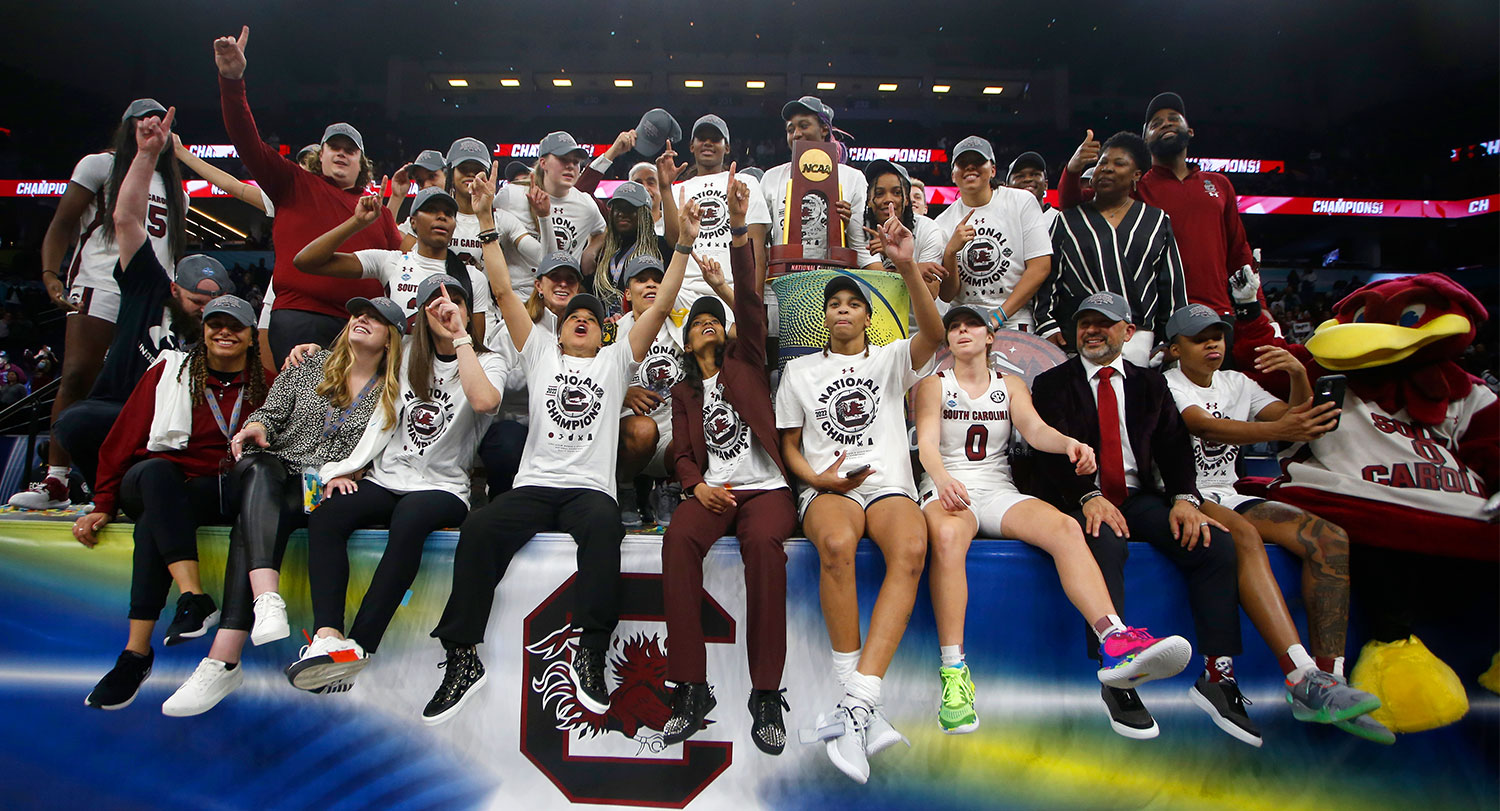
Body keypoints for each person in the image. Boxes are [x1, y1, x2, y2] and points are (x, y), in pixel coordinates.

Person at [419, 169, 692, 726]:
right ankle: (462, 656)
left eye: (593, 319)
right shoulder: (541, 351)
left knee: (603, 531)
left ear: (604, 332)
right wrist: (489, 221)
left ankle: (590, 651)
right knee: (479, 529)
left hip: (588, 489)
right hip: (537, 484)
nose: (583, 322)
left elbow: (659, 308)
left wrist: (683, 243)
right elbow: (500, 290)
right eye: (575, 319)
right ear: (562, 329)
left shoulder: (618, 361)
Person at [915, 304, 1191, 735]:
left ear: (991, 338)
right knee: (949, 541)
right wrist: (942, 479)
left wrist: (1069, 444)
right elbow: (927, 444)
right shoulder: (933, 385)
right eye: (954, 327)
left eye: (972, 325)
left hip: (996, 488)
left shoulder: (1011, 385)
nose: (962, 331)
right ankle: (954, 673)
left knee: (1066, 527)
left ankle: (1115, 639)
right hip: (948, 486)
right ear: (948, 341)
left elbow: (1035, 429)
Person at [160, 297, 404, 716]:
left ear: (391, 340)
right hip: (273, 467)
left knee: (251, 525)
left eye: (375, 319)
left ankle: (223, 658)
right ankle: (267, 600)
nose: (360, 319)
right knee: (259, 473)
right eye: (357, 313)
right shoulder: (310, 364)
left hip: (317, 485)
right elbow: (271, 415)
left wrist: (354, 472)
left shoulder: (396, 389)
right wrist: (255, 425)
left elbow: (390, 450)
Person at [1029, 292, 1251, 744]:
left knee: (1214, 543)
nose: (1092, 330)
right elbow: (1045, 455)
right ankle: (1118, 674)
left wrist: (1186, 498)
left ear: (1127, 332)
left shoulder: (1151, 383)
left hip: (1137, 495)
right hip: (1080, 495)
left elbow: (1173, 446)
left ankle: (1218, 674)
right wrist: (1088, 495)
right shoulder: (1052, 382)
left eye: (1104, 324)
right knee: (1104, 539)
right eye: (1085, 322)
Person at [1162, 304, 1389, 742]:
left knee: (1330, 538)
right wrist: (1285, 426)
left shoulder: (1238, 382)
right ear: (1174, 349)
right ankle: (1299, 674)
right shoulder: (1164, 384)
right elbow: (1205, 428)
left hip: (1229, 491)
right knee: (1243, 535)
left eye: (1218, 335)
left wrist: (1298, 374)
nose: (1213, 343)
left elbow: (1301, 419)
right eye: (1199, 338)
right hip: (1183, 493)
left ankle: (1330, 679)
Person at [774, 217, 942, 784]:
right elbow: (790, 447)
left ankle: (857, 703)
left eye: (853, 303)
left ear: (868, 315)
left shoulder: (891, 357)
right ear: (823, 317)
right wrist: (817, 480)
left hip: (889, 482)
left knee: (913, 550)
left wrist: (907, 264)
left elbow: (936, 335)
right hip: (830, 488)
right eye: (834, 304)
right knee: (838, 544)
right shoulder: (798, 370)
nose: (843, 309)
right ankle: (859, 705)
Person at [288, 274, 506, 692]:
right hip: (388, 475)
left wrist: (461, 336)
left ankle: (361, 645)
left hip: (443, 487)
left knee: (409, 520)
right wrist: (310, 352)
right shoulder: (405, 353)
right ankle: (328, 635)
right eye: (436, 302)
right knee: (328, 515)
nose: (447, 308)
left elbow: (485, 401)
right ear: (422, 315)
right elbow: (356, 354)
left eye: (456, 300)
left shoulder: (486, 358)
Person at [26, 110, 231, 506]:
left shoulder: (178, 190)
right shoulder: (101, 164)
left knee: (153, 390)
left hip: (161, 287)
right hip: (108, 276)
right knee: (77, 376)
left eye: (160, 122)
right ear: (128, 127)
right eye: (143, 120)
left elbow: (172, 248)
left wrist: (178, 290)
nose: (152, 126)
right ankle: (56, 478)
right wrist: (52, 272)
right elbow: (81, 221)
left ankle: (124, 481)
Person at [77, 296, 270, 710]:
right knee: (158, 475)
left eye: (235, 326)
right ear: (201, 330)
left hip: (222, 490)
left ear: (252, 336)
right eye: (215, 323)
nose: (224, 332)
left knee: (154, 523)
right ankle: (192, 596)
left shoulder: (268, 383)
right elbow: (120, 442)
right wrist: (103, 504)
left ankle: (135, 655)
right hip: (165, 482)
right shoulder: (169, 373)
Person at [659, 173, 796, 754]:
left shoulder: (747, 359)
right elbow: (682, 453)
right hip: (714, 491)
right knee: (676, 542)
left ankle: (766, 693)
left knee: (763, 550)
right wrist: (695, 488)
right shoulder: (685, 391)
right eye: (697, 322)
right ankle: (692, 687)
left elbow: (751, 297)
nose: (707, 323)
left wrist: (738, 231)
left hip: (766, 490)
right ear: (687, 341)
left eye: (714, 318)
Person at [213, 25, 402, 363]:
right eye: (334, 147)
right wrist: (232, 82)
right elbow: (245, 139)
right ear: (321, 155)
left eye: (350, 150)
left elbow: (402, 267)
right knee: (302, 412)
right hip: (303, 316)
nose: (342, 154)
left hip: (360, 326)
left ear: (363, 164)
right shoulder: (293, 182)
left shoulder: (380, 213)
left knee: (358, 414)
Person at [1058, 93, 1257, 317]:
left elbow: (1239, 250)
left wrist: (1259, 306)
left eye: (1174, 118)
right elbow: (1072, 206)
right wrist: (1073, 169)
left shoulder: (1219, 184)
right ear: (1146, 138)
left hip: (1216, 310)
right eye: (1156, 124)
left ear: (1189, 131)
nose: (1166, 124)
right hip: (1157, 315)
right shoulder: (1134, 185)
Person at [1035, 132, 1187, 365]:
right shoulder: (1068, 220)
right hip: (1081, 335)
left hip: (1139, 340)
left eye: (1119, 163)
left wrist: (1169, 340)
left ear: (1137, 175)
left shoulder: (1156, 220)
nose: (1106, 168)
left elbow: (1172, 286)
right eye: (1102, 163)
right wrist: (1047, 326)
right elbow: (1048, 280)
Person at [293, 187, 487, 340]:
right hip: (395, 380)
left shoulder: (472, 276)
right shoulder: (390, 261)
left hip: (450, 382)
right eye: (430, 210)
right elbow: (306, 262)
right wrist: (357, 222)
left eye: (448, 213)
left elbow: (475, 346)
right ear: (412, 222)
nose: (441, 216)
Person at [932, 136, 1052, 332]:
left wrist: (1000, 315)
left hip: (1014, 319)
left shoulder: (1021, 202)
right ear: (953, 175)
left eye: (978, 161)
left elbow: (1040, 266)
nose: (970, 167)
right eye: (963, 163)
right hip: (965, 321)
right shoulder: (942, 222)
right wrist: (950, 253)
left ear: (993, 170)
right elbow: (947, 294)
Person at [667, 116, 773, 304]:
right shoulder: (677, 190)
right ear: (692, 146)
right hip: (687, 293)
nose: (708, 143)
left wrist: (754, 308)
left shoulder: (746, 183)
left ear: (727, 147)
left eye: (715, 139)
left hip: (733, 290)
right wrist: (664, 188)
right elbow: (673, 242)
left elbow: (757, 252)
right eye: (702, 138)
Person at [760, 96, 869, 272]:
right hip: (781, 285)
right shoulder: (771, 177)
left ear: (824, 129)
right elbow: (760, 243)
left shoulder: (852, 178)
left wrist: (845, 228)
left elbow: (862, 248)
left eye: (804, 126)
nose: (796, 134)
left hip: (831, 283)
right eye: (790, 129)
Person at [492, 131, 606, 298]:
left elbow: (601, 231)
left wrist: (591, 251)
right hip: (518, 297)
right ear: (543, 163)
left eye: (575, 162)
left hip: (561, 298)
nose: (570, 166)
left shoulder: (586, 204)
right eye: (563, 159)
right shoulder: (511, 195)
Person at [856, 159, 945, 310]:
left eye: (896, 193)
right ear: (869, 200)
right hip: (875, 324)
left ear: (907, 200)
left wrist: (902, 262)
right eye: (879, 193)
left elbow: (932, 292)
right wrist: (916, 270)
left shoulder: (928, 228)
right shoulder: (860, 226)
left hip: (919, 327)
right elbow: (880, 287)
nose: (888, 199)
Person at [588, 181, 673, 315]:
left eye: (630, 208)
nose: (622, 213)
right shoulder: (605, 253)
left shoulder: (660, 247)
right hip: (611, 328)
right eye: (618, 208)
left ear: (644, 214)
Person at [384, 149, 447, 219]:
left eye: (432, 176)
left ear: (447, 177)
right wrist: (396, 197)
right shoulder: (416, 220)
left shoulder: (460, 211)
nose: (426, 185)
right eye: (420, 181)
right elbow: (386, 229)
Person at [1006, 151, 1057, 230]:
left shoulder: (1059, 220)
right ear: (1007, 188)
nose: (1028, 179)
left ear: (1045, 185)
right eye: (1020, 176)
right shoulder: (999, 222)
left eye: (1035, 174)